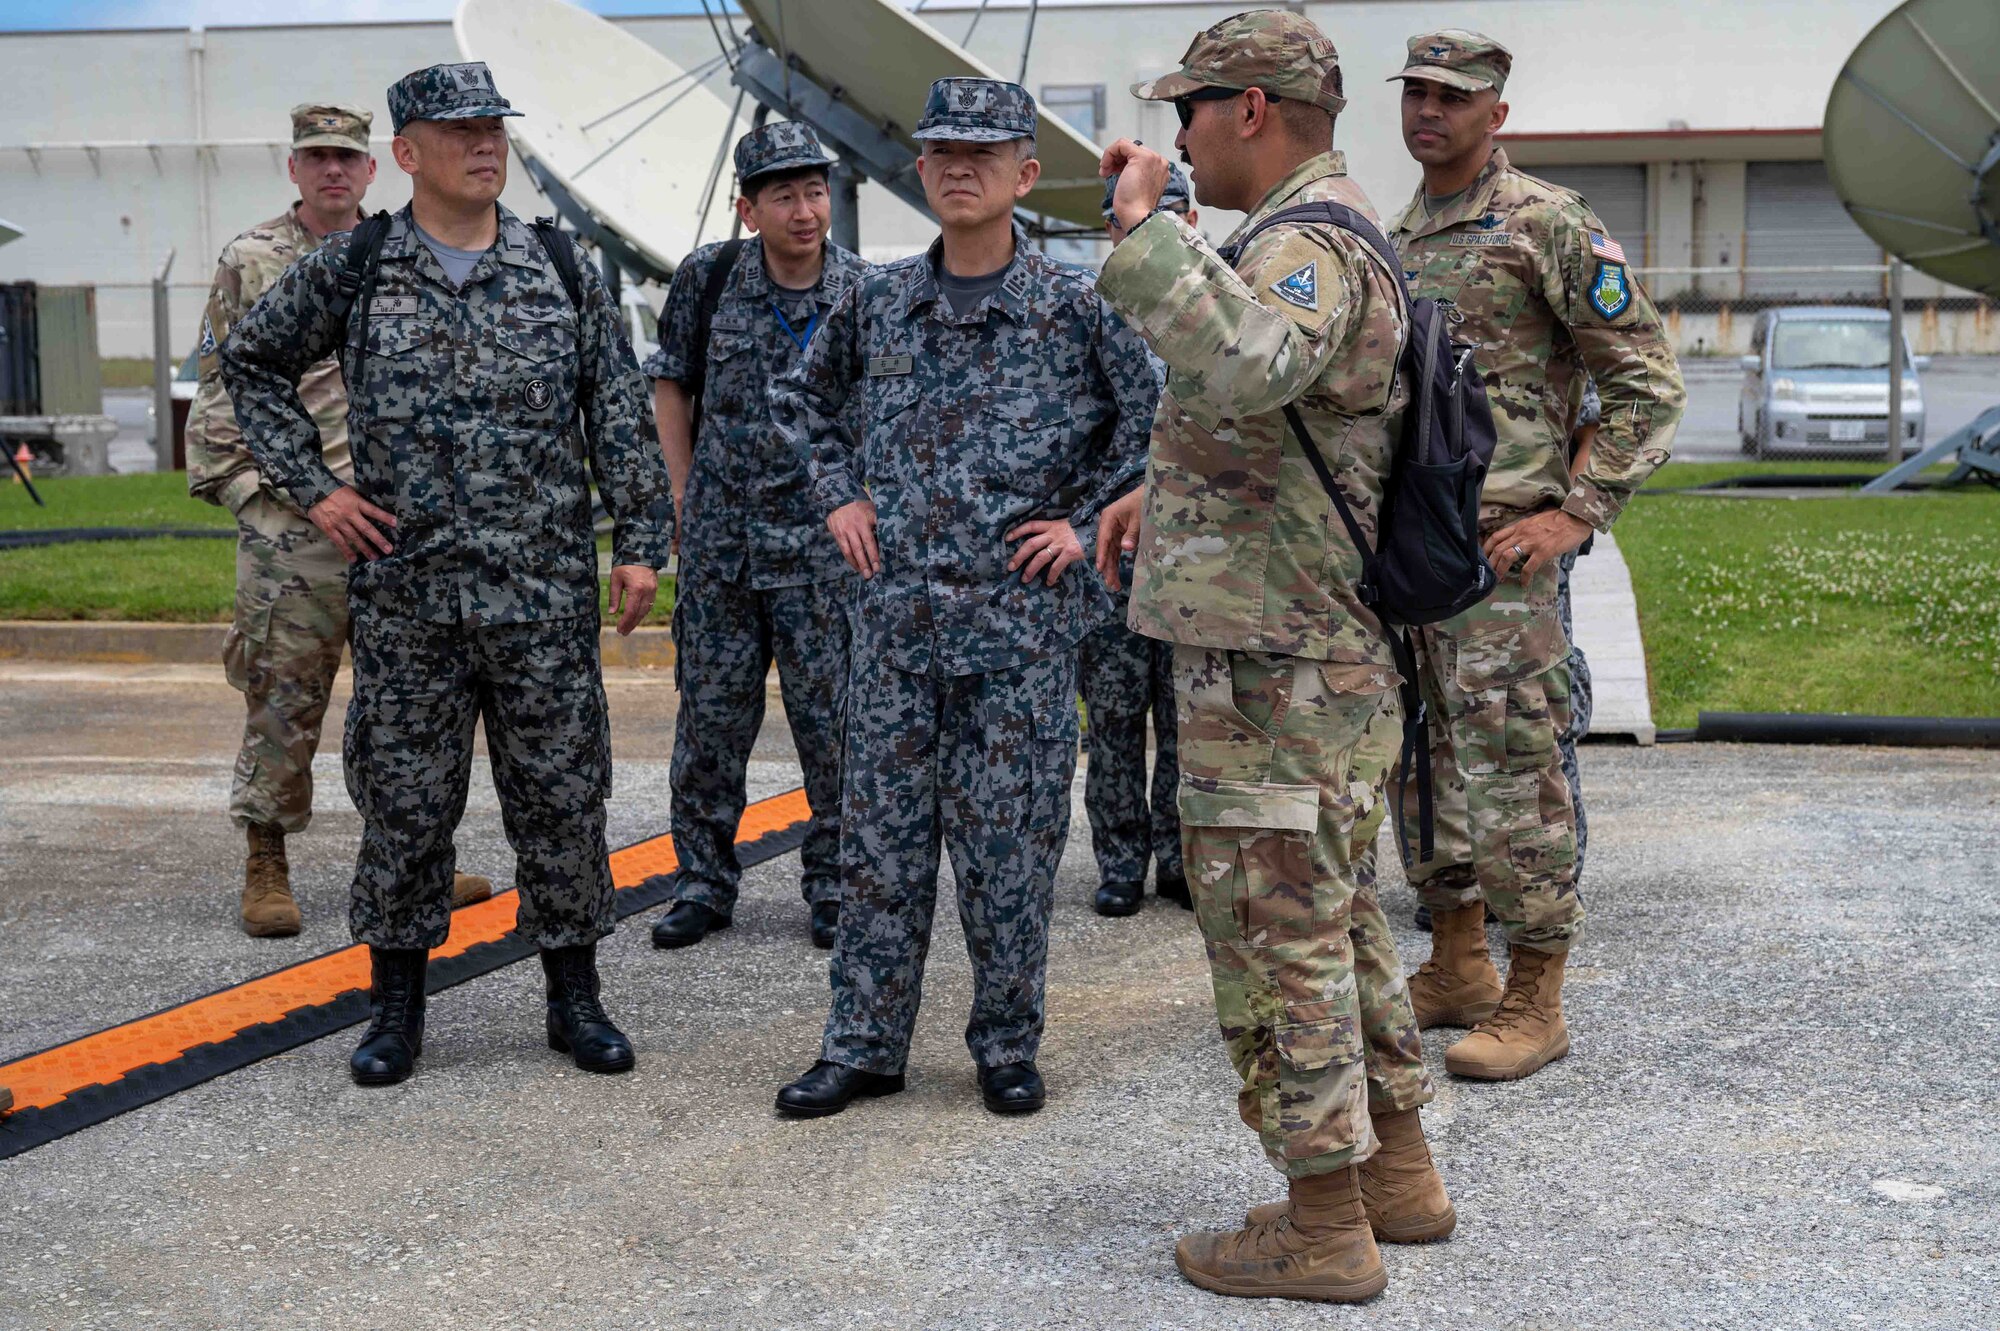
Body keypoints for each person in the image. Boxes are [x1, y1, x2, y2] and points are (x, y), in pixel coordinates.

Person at [220, 62, 676, 1086]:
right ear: (409, 153)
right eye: (461, 130)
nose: (486, 146)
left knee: (563, 800)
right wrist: (316, 489)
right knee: (408, 804)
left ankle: (575, 996)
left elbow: (614, 407)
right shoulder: (360, 263)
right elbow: (250, 363)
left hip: (541, 598)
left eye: (495, 130)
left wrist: (642, 538)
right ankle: (394, 1009)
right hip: (409, 598)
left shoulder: (556, 264)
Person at [1093, 11, 1451, 1303]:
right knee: (1340, 924)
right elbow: (1266, 416)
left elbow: (1247, 360)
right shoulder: (1310, 235)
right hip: (1310, 650)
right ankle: (1396, 1175)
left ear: (1250, 111)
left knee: (1276, 939)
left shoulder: (1311, 242)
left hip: (1278, 666)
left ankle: (1321, 1226)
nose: (1177, 136)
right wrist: (1158, 486)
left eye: (1190, 111)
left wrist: (1142, 233)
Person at [769, 78, 1155, 1120]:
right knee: (879, 850)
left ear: (1023, 176)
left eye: (981, 153)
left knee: (1007, 853)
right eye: (939, 150)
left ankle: (1003, 1041)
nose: (956, 167)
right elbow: (798, 399)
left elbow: (1159, 416)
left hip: (1016, 633)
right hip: (892, 632)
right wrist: (837, 492)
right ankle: (862, 1042)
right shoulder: (876, 300)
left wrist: (1087, 524)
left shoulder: (1076, 305)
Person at [1385, 31, 1682, 1081]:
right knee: (1418, 767)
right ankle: (1457, 961)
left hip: (1505, 559)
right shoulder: (1397, 234)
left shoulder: (1545, 225)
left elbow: (1645, 383)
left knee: (1515, 773)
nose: (1428, 111)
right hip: (1413, 554)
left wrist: (1578, 511)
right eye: (1415, 92)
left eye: (1451, 97)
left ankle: (1535, 994)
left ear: (1494, 114)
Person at [186, 103, 492, 938]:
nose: (332, 170)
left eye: (346, 159)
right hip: (297, 521)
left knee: (411, 705)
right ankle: (266, 861)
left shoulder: (402, 251)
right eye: (317, 157)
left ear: (372, 170)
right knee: (284, 695)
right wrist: (254, 496)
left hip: (399, 524)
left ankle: (416, 857)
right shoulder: (251, 260)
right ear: (294, 168)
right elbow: (220, 388)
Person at [644, 123, 868, 953]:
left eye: (815, 192)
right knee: (709, 725)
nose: (805, 210)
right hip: (723, 554)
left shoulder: (864, 291)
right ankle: (701, 882)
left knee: (837, 729)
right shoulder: (709, 279)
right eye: (784, 195)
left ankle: (837, 887)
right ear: (749, 207)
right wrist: (681, 488)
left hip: (826, 558)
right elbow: (672, 383)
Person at [1080, 164, 1193, 920]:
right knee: (1116, 716)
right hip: (1110, 555)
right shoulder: (1089, 315)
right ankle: (1121, 861)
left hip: (1191, 551)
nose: (1155, 233)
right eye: (1130, 225)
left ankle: (1183, 859)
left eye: (1172, 217)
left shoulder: (1213, 308)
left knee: (1187, 714)